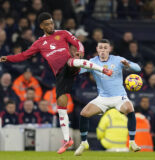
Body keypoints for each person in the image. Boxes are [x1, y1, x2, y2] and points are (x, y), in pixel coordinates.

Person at [0, 12, 112, 154]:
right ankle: (67, 140)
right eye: (47, 24)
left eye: (52, 22)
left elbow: (77, 43)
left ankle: (103, 70)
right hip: (60, 75)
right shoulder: (39, 43)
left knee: (72, 62)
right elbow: (23, 55)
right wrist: (7, 58)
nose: (51, 26)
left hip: (69, 66)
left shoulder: (63, 33)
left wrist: (80, 51)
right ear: (41, 26)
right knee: (61, 106)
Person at [74, 39, 141, 156]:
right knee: (84, 113)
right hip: (103, 98)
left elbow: (138, 68)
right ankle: (84, 143)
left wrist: (128, 65)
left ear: (110, 49)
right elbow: (77, 71)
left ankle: (132, 142)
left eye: (105, 48)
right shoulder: (92, 62)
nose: (103, 50)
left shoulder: (118, 60)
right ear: (97, 49)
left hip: (119, 96)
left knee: (130, 109)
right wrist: (78, 61)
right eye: (101, 48)